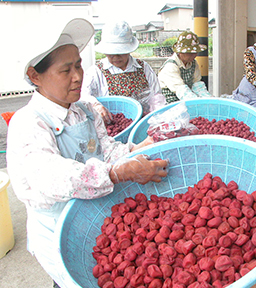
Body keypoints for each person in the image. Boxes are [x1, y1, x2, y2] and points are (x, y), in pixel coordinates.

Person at [6, 18, 169, 288]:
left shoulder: (83, 110)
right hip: (57, 228)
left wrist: (135, 149)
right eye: (66, 70)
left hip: (97, 216)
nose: (78, 76)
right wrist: (119, 172)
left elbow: (106, 150)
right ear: (36, 76)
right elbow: (52, 177)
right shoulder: (29, 123)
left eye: (79, 65)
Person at [81, 20, 166, 122]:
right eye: (111, 53)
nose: (116, 57)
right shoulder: (96, 72)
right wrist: (95, 104)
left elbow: (156, 96)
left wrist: (158, 118)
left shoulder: (143, 68)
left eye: (121, 52)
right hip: (112, 125)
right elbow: (82, 94)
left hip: (143, 122)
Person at [158, 30, 212, 103]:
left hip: (186, 100)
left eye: (195, 52)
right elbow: (181, 91)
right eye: (191, 53)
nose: (194, 55)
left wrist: (209, 100)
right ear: (180, 52)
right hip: (171, 104)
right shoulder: (170, 66)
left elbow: (197, 85)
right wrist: (197, 103)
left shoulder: (193, 63)